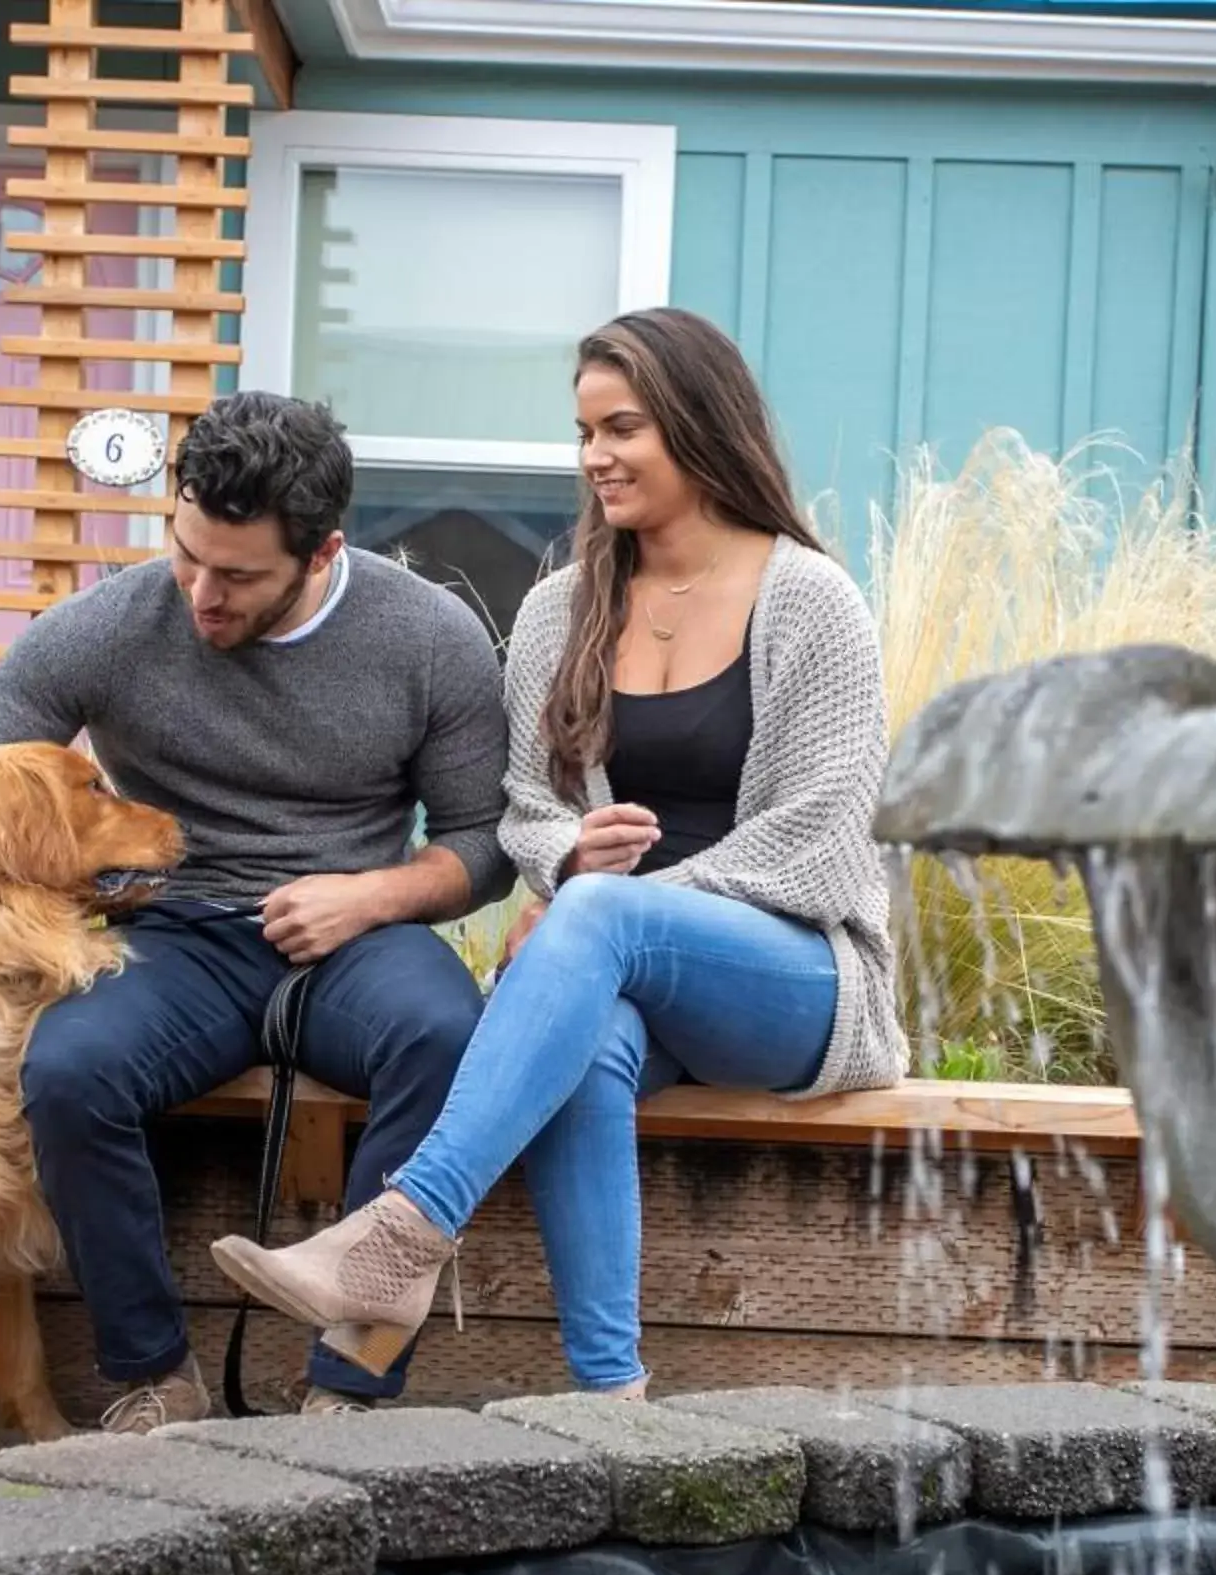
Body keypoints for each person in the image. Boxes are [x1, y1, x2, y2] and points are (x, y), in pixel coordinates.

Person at [211, 308, 904, 1397]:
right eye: (583, 431)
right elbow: (525, 808)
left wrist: (615, 900)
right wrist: (571, 849)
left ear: (697, 423)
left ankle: (398, 1235)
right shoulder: (559, 609)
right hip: (625, 967)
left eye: (621, 428)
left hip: (795, 975)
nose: (594, 457)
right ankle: (611, 1402)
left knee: (592, 925)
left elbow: (821, 839)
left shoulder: (810, 600)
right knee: (590, 1037)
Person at [0, 392, 513, 1427]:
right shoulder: (110, 626)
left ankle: (354, 1384)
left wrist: (373, 894)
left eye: (238, 575)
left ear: (323, 550)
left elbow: (483, 843)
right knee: (66, 1071)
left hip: (353, 935)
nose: (201, 591)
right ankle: (153, 1374)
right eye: (185, 552)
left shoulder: (430, 637)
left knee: (444, 1033)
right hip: (173, 935)